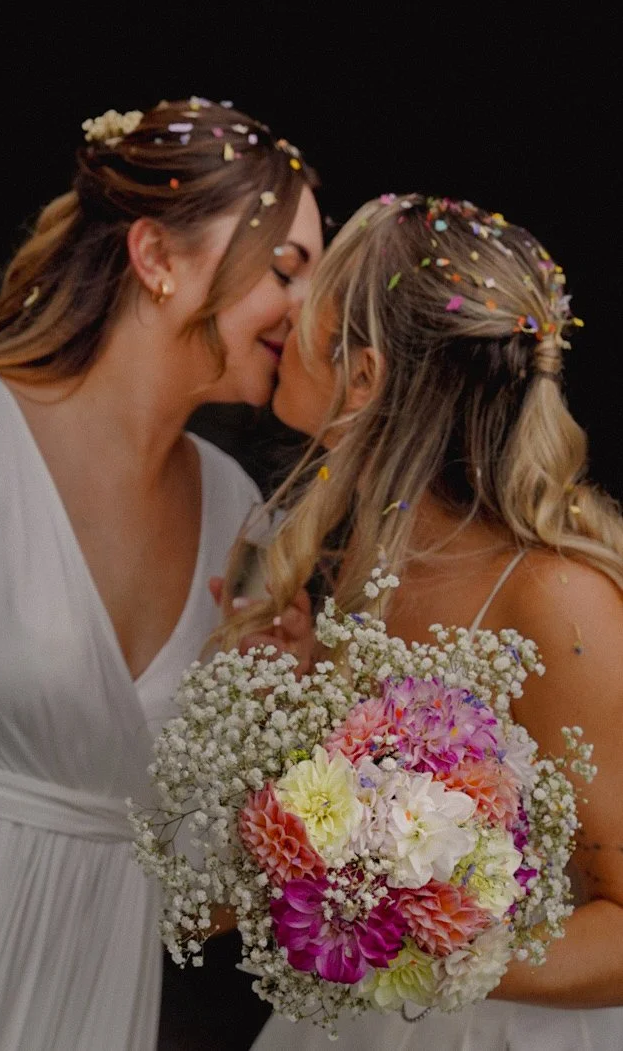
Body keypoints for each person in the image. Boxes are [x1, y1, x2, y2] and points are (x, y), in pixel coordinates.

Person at [0, 96, 323, 1050]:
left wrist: (275, 726)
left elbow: (196, 897)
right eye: (287, 271)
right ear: (156, 257)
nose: (306, 315)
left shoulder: (234, 511)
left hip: (93, 994)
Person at [216, 193, 623, 1050]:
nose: (290, 308)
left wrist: (413, 944)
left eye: (317, 287)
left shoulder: (552, 597)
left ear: (361, 377)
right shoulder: (341, 568)